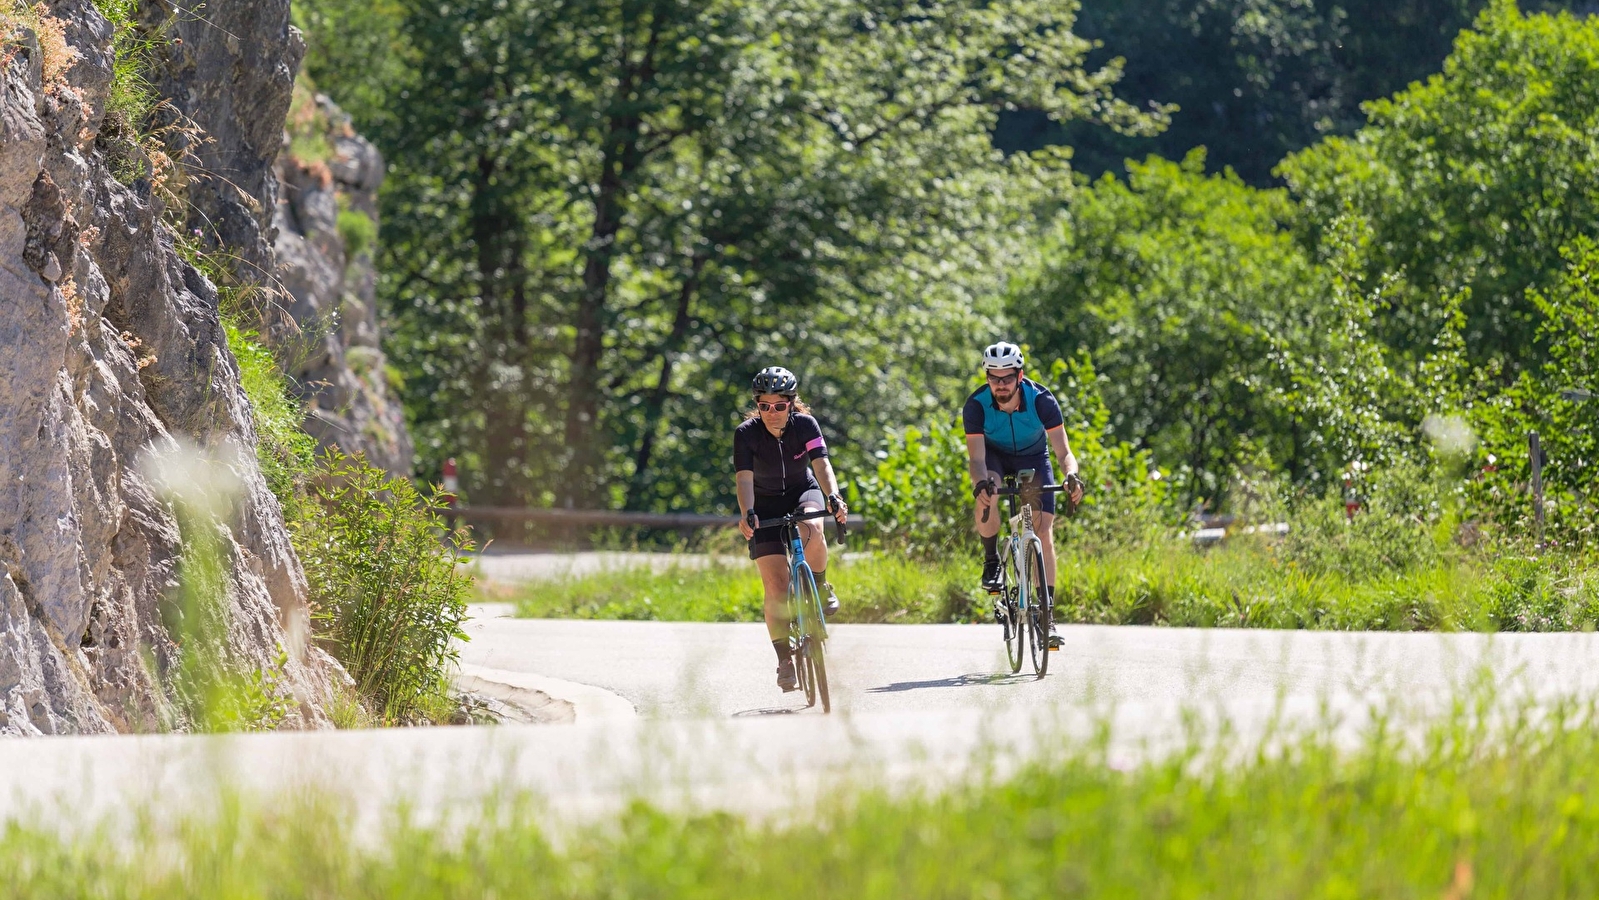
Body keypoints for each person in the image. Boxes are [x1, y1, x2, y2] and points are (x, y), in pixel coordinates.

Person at [962, 342, 1085, 649]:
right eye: (994, 378)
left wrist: (1071, 476)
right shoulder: (976, 405)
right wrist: (981, 485)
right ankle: (991, 559)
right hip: (995, 458)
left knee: (1043, 531)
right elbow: (976, 460)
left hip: (1033, 457)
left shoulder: (1041, 400)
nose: (1000, 385)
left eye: (1007, 378)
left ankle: (1047, 617)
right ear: (987, 377)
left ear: (1020, 375)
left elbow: (1064, 453)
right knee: (986, 490)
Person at [735, 366, 849, 692]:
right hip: (764, 504)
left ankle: (821, 585)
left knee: (812, 526)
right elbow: (743, 478)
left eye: (779, 406)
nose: (772, 413)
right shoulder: (746, 434)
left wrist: (833, 496)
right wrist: (748, 513)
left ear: (792, 403)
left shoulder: (806, 425)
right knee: (774, 584)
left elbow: (821, 463)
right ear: (757, 406)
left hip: (803, 491)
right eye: (764, 406)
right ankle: (785, 660)